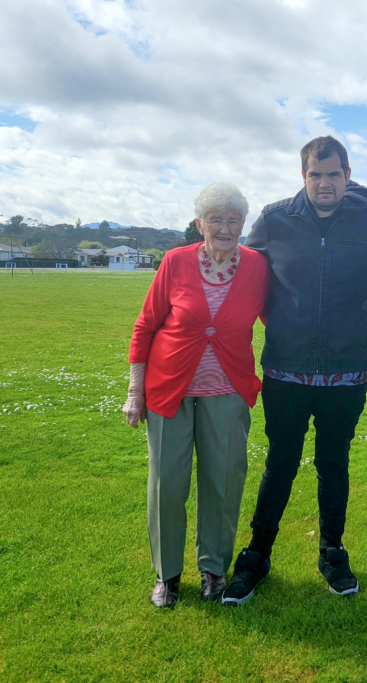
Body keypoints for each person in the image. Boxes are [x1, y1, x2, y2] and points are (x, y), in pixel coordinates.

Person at [221, 136, 367, 605]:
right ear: (303, 176)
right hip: (286, 371)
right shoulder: (275, 221)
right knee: (280, 464)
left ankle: (332, 552)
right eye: (315, 174)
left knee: (334, 464)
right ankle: (257, 555)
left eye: (334, 174)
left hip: (347, 372)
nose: (324, 183)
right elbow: (237, 267)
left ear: (347, 176)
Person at [123, 182, 268, 608]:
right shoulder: (175, 261)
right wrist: (135, 391)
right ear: (199, 223)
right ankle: (166, 576)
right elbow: (145, 326)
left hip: (228, 390)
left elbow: (284, 313)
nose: (225, 228)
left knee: (223, 482)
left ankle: (214, 569)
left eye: (234, 220)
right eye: (216, 219)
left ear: (243, 224)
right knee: (167, 484)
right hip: (169, 391)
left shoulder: (257, 266)